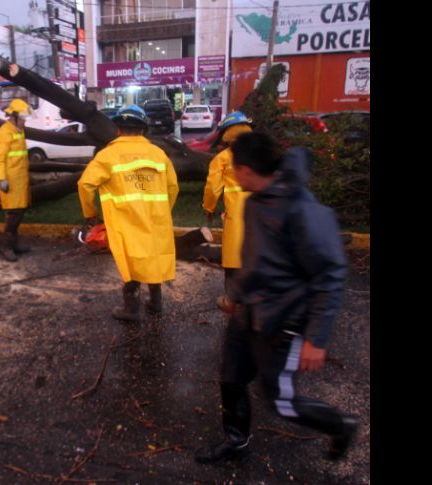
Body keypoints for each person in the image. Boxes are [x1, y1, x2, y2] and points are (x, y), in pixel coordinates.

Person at [194, 132, 357, 464]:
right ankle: (236, 443)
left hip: (283, 323)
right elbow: (253, 260)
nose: (233, 175)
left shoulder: (302, 210)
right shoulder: (255, 202)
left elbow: (330, 274)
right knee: (232, 379)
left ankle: (342, 425)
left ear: (247, 169)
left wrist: (316, 337)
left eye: (234, 168)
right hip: (248, 313)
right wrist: (236, 298)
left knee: (281, 401)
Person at [78, 105, 179, 322]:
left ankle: (131, 310)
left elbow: (85, 184)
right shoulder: (158, 154)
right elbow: (173, 187)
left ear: (118, 129)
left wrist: (90, 213)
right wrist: (163, 211)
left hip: (126, 220)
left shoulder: (108, 155)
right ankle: (156, 303)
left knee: (131, 261)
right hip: (155, 219)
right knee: (153, 257)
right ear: (143, 130)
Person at [201, 111, 253, 307]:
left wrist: (209, 207)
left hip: (237, 214)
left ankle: (231, 300)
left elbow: (212, 188)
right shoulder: (260, 154)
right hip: (265, 211)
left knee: (233, 259)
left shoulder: (222, 158)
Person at [0, 98, 32, 262]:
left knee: (19, 212)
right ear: (14, 116)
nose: (24, 121)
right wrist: (1, 178)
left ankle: (13, 245)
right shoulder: (5, 133)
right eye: (22, 118)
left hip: (20, 180)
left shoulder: (18, 130)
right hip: (10, 182)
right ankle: (6, 247)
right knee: (13, 215)